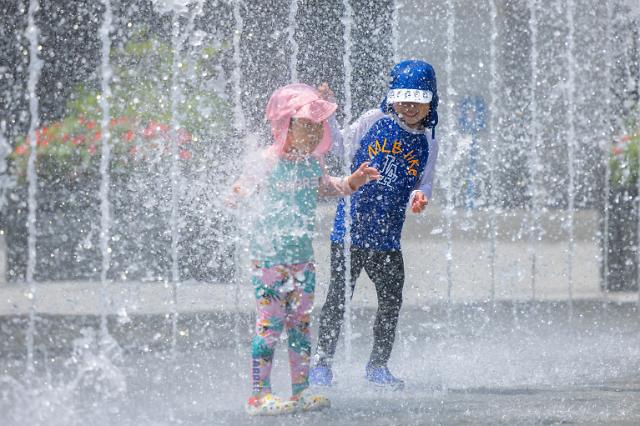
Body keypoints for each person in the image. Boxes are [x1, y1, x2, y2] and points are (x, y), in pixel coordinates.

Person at [228, 83, 380, 416]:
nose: (313, 133)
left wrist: (353, 181)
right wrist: (235, 195)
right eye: (305, 126)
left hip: (302, 261)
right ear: (285, 125)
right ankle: (259, 395)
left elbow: (331, 189)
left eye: (318, 127)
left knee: (300, 325)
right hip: (269, 260)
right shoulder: (267, 161)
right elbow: (241, 188)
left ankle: (300, 390)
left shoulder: (313, 164)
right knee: (269, 326)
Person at [309, 59, 440, 390]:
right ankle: (322, 363)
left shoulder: (429, 142)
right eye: (403, 98)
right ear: (392, 96)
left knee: (391, 301)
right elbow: (339, 145)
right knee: (338, 298)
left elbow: (424, 183)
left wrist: (420, 198)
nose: (409, 106)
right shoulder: (374, 120)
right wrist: (329, 115)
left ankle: (378, 366)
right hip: (349, 231)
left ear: (431, 101)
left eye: (418, 100)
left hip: (387, 238)